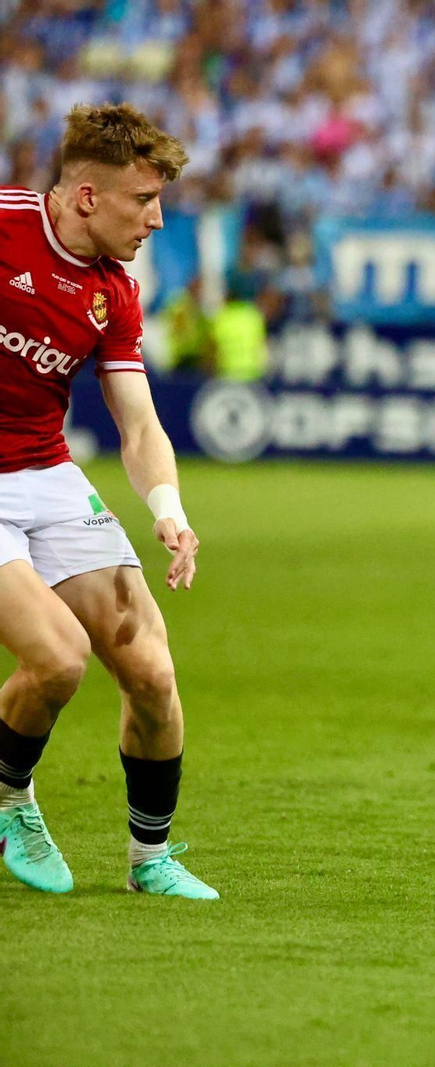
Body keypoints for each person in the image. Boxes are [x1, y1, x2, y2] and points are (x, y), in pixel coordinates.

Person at [0, 104, 216, 899]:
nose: (157, 219)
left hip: (45, 471)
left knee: (151, 669)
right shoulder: (4, 227)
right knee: (57, 658)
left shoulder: (114, 294)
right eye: (144, 200)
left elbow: (138, 422)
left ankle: (148, 859)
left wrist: (168, 506)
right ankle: (11, 800)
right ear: (87, 196)